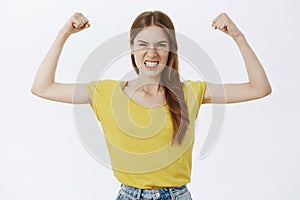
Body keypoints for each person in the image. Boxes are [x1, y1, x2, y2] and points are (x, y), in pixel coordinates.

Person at [31, 11, 272, 200]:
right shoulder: (105, 92)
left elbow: (259, 88)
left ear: (171, 50)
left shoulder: (190, 92)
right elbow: (42, 87)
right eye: (143, 44)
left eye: (161, 44)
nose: (152, 52)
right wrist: (63, 34)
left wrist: (238, 37)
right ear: (132, 49)